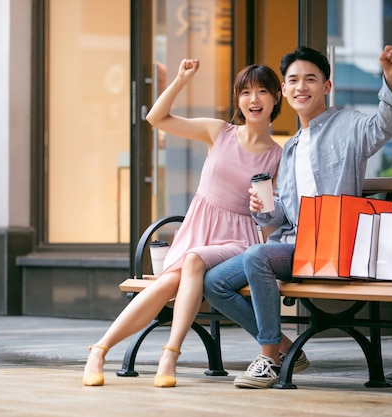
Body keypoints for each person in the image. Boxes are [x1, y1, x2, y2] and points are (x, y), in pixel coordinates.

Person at [203, 45, 392, 389]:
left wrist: (390, 79)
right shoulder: (292, 147)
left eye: (310, 79)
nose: (301, 87)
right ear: (284, 90)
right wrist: (262, 209)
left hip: (337, 246)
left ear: (326, 87)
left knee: (256, 256)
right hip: (298, 246)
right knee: (214, 282)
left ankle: (268, 357)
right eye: (294, 80)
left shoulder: (349, 125)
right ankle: (287, 348)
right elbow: (280, 216)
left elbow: (382, 127)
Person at [83, 58, 284, 387]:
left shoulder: (277, 155)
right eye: (246, 92)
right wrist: (179, 80)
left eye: (263, 91)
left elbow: (272, 214)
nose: (254, 99)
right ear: (238, 99)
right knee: (164, 285)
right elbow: (156, 118)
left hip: (239, 238)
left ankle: (170, 354)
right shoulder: (219, 132)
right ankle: (99, 350)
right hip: (199, 228)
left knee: (193, 260)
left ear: (276, 97)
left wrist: (267, 224)